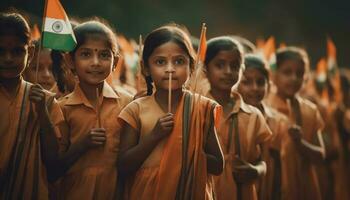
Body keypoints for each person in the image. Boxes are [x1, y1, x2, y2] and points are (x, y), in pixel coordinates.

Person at [118, 24, 224, 200]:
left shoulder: (202, 108)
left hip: (190, 190)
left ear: (191, 66)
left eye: (179, 61)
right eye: (160, 62)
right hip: (148, 192)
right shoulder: (135, 109)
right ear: (145, 68)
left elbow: (218, 166)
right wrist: (154, 136)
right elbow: (123, 166)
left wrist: (192, 151)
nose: (170, 69)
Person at [54, 20, 132, 199]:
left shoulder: (127, 103)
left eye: (104, 55)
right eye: (86, 54)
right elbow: (55, 168)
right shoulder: (62, 108)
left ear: (116, 62)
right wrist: (83, 144)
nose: (96, 62)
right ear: (70, 60)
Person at [0, 12, 64, 199]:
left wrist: (42, 112)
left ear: (31, 52)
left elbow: (53, 163)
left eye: (18, 51)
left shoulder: (47, 101)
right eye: (1, 51)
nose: (9, 58)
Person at [204, 36, 272, 200]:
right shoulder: (196, 110)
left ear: (241, 70)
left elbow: (263, 162)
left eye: (234, 66)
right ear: (205, 69)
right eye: (220, 65)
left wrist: (255, 170)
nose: (228, 71)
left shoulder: (253, 115)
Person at [266, 46, 325, 200]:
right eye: (287, 72)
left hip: (305, 188)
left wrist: (301, 143)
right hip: (273, 188)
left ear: (305, 77)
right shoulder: (265, 107)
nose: (293, 78)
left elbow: (320, 155)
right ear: (274, 75)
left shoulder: (310, 110)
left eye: (299, 74)